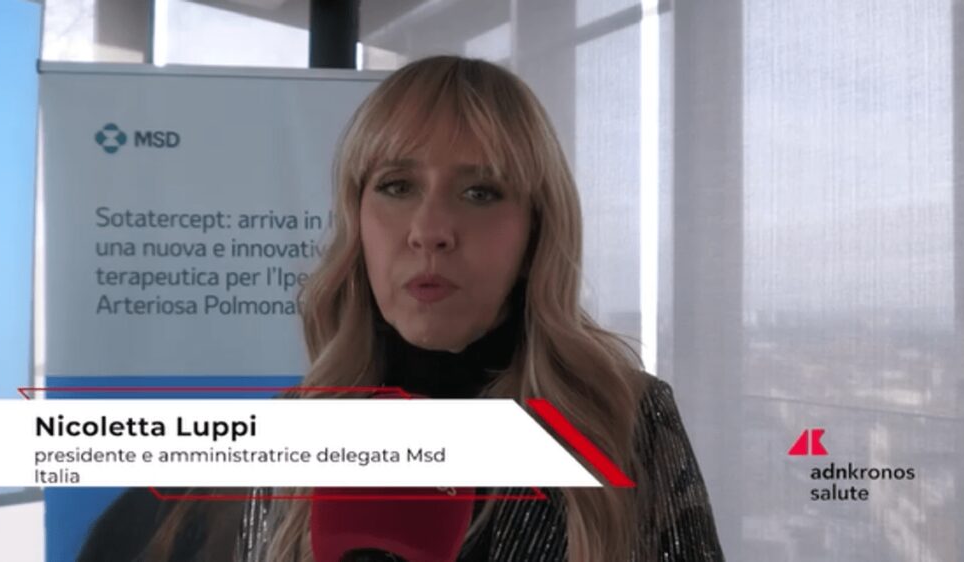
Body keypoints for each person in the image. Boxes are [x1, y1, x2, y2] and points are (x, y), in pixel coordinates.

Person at [80, 55, 724, 561]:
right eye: (396, 186)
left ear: (536, 230)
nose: (430, 231)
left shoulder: (625, 423)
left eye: (480, 191)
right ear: (357, 221)